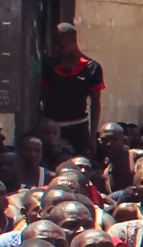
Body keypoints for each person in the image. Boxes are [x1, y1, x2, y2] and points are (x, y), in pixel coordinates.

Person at [36, 26, 103, 162]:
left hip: (78, 130)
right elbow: (43, 97)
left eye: (61, 45)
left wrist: (92, 137)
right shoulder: (50, 65)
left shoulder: (92, 68)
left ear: (73, 41)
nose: (57, 49)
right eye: (56, 45)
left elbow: (95, 104)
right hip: (52, 131)